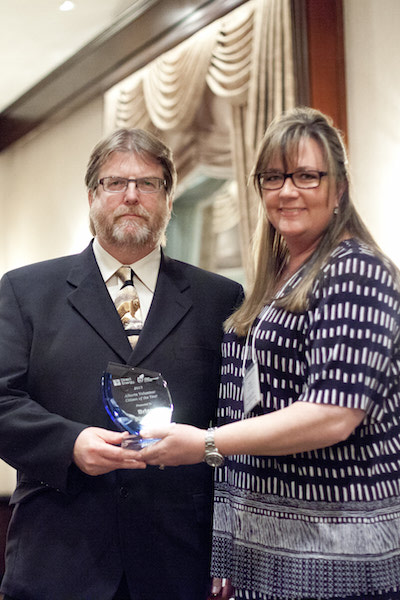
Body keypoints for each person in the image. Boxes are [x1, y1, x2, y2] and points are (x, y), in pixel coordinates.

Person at [136, 107, 400, 600]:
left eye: (307, 176)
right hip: (268, 557)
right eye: (273, 177)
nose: (287, 191)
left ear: (340, 188)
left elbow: (332, 415)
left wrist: (206, 443)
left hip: (337, 560)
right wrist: (229, 548)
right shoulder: (276, 280)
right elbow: (243, 409)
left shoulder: (354, 271)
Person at [0, 128, 244, 600]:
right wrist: (70, 444)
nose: (131, 195)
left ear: (168, 199)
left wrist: (230, 550)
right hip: (58, 559)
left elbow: (234, 425)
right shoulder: (26, 291)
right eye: (115, 183)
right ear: (92, 196)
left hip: (178, 563)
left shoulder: (220, 299)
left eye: (148, 183)